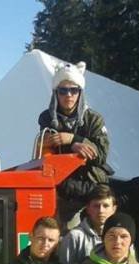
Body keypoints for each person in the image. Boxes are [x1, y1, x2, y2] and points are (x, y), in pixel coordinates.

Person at [38, 61, 111, 226]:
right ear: (56, 93)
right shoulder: (46, 118)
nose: (68, 95)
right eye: (63, 90)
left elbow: (100, 155)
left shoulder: (94, 119)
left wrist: (73, 139)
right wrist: (73, 146)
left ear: (80, 92)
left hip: (92, 186)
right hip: (63, 187)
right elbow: (46, 151)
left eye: (74, 90)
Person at [58, 184, 118, 264]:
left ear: (114, 209)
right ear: (88, 208)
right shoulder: (74, 237)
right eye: (96, 206)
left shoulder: (122, 237)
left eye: (106, 206)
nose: (101, 211)